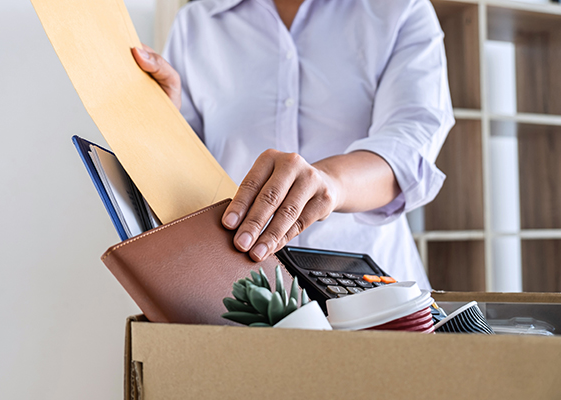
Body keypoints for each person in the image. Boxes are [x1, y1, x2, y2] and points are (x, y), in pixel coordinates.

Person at [131, 0, 454, 289]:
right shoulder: (196, 23)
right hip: (240, 290)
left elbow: (409, 149)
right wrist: (165, 126)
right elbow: (185, 180)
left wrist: (329, 183)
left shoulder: (399, 9)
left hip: (373, 291)